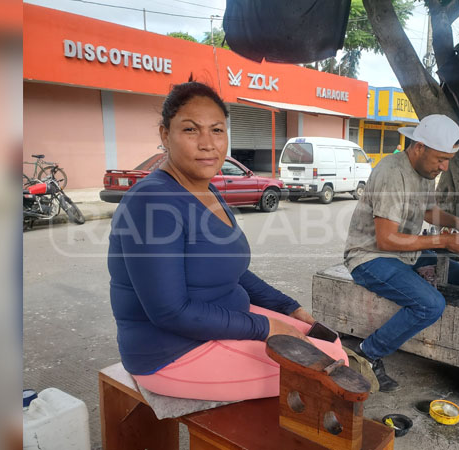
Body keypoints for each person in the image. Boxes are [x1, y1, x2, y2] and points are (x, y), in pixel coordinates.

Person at [107, 81, 347, 401]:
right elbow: (170, 312)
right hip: (172, 354)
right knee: (333, 369)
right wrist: (265, 327)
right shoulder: (151, 203)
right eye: (191, 130)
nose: (207, 144)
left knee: (328, 341)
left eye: (217, 130)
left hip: (220, 325)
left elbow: (234, 272)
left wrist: (288, 307)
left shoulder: (207, 189)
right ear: (165, 135)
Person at [343, 114, 459, 392]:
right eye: (440, 159)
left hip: (402, 253)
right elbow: (386, 241)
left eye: (448, 160)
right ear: (419, 147)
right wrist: (445, 243)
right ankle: (367, 353)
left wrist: (458, 224)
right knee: (431, 305)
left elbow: (428, 211)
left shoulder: (424, 172)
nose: (444, 167)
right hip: (369, 257)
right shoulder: (391, 174)